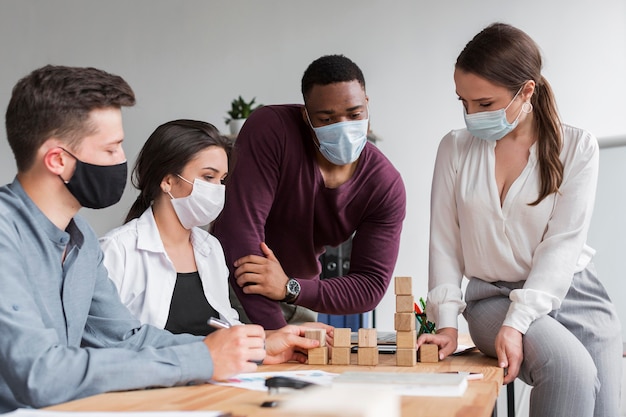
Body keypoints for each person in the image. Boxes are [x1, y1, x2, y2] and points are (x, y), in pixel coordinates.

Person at [0, 65, 268, 413]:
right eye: (112, 149)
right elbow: (41, 374)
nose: (123, 162)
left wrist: (238, 348)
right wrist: (199, 359)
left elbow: (126, 337)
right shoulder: (5, 234)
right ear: (58, 160)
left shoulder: (81, 242)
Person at [417, 23, 622, 417]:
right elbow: (444, 242)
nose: (471, 115)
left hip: (577, 295)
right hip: (492, 296)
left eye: (485, 103)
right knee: (570, 370)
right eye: (464, 102)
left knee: (605, 409)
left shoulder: (578, 148)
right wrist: (446, 322)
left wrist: (522, 321)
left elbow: (562, 246)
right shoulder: (455, 149)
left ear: (526, 91)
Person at [99, 119, 330, 361]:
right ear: (167, 180)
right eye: (208, 177)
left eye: (222, 179)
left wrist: (284, 337)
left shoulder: (210, 248)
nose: (218, 189)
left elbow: (227, 329)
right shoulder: (117, 251)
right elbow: (112, 343)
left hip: (214, 383)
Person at [212, 54, 406, 329]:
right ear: (306, 116)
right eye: (327, 119)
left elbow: (370, 286)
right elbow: (239, 232)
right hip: (231, 291)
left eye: (354, 115)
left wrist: (290, 289)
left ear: (367, 104)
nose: (342, 127)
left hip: (295, 299)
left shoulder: (384, 185)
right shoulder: (273, 129)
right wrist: (277, 332)